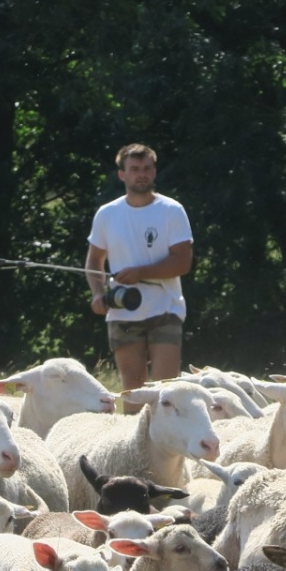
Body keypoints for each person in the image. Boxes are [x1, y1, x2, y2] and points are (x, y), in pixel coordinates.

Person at [85, 143, 193, 394]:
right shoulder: (107, 214)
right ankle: (133, 433)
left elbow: (182, 262)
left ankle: (166, 434)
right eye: (134, 169)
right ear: (122, 174)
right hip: (122, 312)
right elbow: (93, 261)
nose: (141, 174)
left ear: (154, 172)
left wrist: (140, 273)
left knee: (166, 391)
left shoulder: (172, 210)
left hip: (165, 308)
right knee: (132, 391)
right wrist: (99, 293)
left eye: (146, 168)